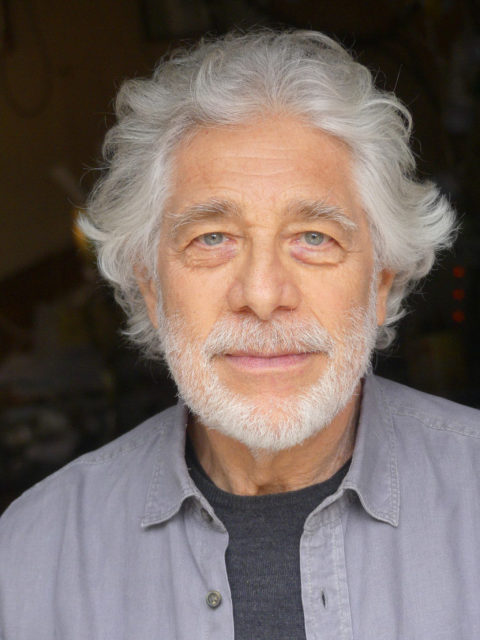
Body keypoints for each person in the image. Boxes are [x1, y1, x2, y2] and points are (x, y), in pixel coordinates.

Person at [1, 29, 479, 640]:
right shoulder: (33, 555)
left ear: (381, 283)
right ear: (151, 288)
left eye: (314, 238)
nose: (262, 294)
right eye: (212, 238)